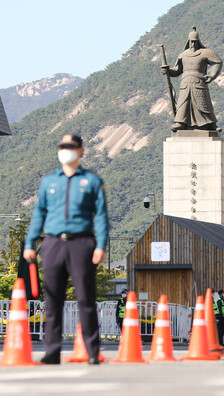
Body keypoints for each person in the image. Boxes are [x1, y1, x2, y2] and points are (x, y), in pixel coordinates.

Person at [23, 134, 108, 365]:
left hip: (82, 243)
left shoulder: (91, 180)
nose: (66, 150)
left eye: (71, 147)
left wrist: (101, 245)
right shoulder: (49, 182)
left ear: (81, 151)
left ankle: (92, 352)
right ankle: (52, 351)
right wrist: (30, 243)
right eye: (63, 147)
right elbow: (38, 214)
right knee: (52, 299)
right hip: (52, 243)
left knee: (85, 299)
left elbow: (100, 215)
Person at [162, 27, 223, 131]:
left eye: (195, 42)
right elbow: (177, 70)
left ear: (198, 41)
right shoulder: (183, 54)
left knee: (203, 104)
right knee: (183, 103)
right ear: (188, 41)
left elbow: (218, 62)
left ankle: (210, 125)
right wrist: (168, 71)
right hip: (185, 82)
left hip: (199, 81)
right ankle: (180, 122)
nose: (193, 44)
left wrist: (212, 76)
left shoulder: (205, 52)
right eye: (191, 42)